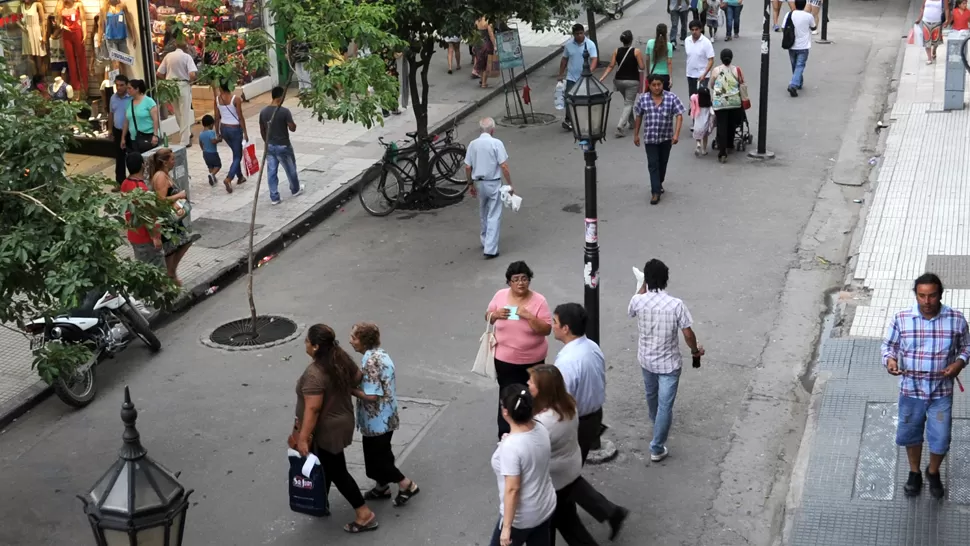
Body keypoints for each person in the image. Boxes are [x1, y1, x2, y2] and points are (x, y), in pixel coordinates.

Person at [882, 273, 969, 499]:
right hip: (911, 390)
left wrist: (959, 363)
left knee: (940, 438)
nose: (927, 302)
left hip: (941, 391)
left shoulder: (957, 319)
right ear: (916, 295)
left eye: (932, 296)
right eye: (922, 296)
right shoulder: (901, 319)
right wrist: (890, 361)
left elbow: (966, 348)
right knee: (911, 434)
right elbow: (889, 347)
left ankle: (933, 472)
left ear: (940, 295)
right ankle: (914, 472)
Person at [550, 304, 629, 541]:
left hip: (576, 424)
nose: (551, 325)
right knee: (570, 474)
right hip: (593, 417)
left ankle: (580, 515)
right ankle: (608, 512)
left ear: (565, 328)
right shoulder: (591, 347)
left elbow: (559, 404)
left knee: (563, 477)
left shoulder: (566, 363)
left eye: (554, 322)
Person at [290, 324, 379, 533]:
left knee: (337, 471)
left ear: (316, 346)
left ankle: (364, 514)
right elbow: (357, 377)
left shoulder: (314, 374)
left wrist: (302, 438)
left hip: (327, 430)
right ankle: (321, 502)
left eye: (307, 341)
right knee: (326, 464)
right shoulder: (340, 357)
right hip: (342, 421)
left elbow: (312, 409)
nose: (305, 344)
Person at [628, 259, 704, 462]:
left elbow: (632, 309)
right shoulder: (676, 305)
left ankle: (656, 423)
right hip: (669, 364)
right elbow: (688, 334)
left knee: (651, 394)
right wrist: (695, 351)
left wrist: (642, 285)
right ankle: (657, 446)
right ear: (666, 279)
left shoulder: (638, 301)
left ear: (646, 280)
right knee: (665, 405)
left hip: (646, 360)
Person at [348, 322, 420, 506]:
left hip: (376, 421)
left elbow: (371, 395)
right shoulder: (379, 355)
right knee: (383, 455)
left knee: (378, 461)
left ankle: (407, 485)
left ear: (364, 341)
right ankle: (382, 487)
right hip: (387, 416)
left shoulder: (371, 361)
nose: (351, 341)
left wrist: (350, 389)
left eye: (354, 337)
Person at [527, 365, 597, 546]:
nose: (528, 383)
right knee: (568, 522)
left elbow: (531, 452)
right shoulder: (568, 404)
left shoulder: (542, 422)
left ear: (543, 389)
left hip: (553, 481)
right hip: (569, 471)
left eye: (532, 382)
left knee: (549, 526)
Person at [486, 261, 552, 438]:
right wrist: (495, 315)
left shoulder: (539, 301)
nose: (521, 283)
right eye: (516, 279)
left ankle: (532, 432)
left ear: (529, 280)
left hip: (533, 362)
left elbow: (546, 329)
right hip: (505, 361)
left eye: (524, 278)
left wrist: (529, 316)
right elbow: (488, 315)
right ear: (509, 282)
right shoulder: (500, 296)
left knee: (534, 397)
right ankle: (506, 434)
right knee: (507, 396)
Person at [489, 385, 557, 546]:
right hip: (545, 506)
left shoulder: (511, 447)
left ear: (505, 412)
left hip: (522, 518)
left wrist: (506, 528)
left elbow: (513, 489)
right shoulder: (540, 428)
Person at [465, 117, 513, 259]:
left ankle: (485, 239)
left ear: (481, 129)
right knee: (494, 214)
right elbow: (504, 166)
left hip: (479, 182)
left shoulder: (472, 144)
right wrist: (510, 184)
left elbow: (468, 167)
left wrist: (470, 184)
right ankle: (490, 248)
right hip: (493, 182)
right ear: (492, 130)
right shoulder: (496, 143)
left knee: (483, 211)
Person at [633, 74, 686, 206]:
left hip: (666, 138)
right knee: (653, 164)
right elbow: (638, 116)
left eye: (659, 85)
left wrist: (676, 134)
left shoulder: (671, 97)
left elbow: (679, 115)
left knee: (662, 163)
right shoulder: (643, 99)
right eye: (654, 85)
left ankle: (659, 182)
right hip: (650, 138)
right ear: (649, 86)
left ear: (663, 85)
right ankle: (655, 192)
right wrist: (636, 134)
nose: (657, 87)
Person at [150, 148, 197, 285]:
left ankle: (171, 273)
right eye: (172, 159)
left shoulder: (165, 175)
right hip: (167, 219)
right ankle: (170, 274)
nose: (174, 162)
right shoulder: (160, 177)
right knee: (172, 248)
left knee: (181, 243)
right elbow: (161, 199)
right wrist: (179, 195)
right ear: (165, 162)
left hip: (173, 218)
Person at [259, 86, 304, 205]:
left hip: (270, 146)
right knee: (291, 169)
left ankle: (274, 197)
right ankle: (295, 189)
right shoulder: (284, 111)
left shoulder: (263, 112)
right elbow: (292, 128)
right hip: (283, 145)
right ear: (280, 97)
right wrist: (292, 124)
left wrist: (266, 142)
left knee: (271, 172)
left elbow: (262, 130)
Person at [598, 30, 645, 137]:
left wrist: (602, 77)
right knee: (629, 103)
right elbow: (642, 67)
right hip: (632, 81)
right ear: (631, 39)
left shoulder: (616, 51)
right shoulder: (636, 52)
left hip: (619, 81)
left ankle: (632, 123)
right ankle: (620, 126)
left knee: (627, 101)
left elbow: (611, 66)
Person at [120, 153, 163, 269]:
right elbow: (149, 215)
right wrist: (155, 237)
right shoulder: (141, 189)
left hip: (134, 234)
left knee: (142, 269)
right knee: (158, 271)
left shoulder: (125, 183)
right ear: (142, 165)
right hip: (146, 237)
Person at [156, 38, 198, 147]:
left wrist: (167, 80)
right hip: (183, 85)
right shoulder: (187, 57)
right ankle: (185, 141)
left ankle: (187, 134)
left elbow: (159, 73)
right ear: (186, 47)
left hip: (171, 86)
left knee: (177, 112)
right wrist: (191, 81)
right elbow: (192, 74)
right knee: (185, 113)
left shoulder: (168, 56)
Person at [558, 24, 598, 132]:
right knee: (569, 98)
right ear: (573, 34)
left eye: (581, 33)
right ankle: (569, 120)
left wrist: (589, 71)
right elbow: (564, 60)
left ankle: (584, 119)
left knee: (584, 99)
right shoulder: (568, 45)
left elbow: (594, 59)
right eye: (577, 34)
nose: (580, 35)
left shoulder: (590, 44)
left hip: (585, 77)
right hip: (571, 77)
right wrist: (560, 74)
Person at [708, 48, 746, 163]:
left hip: (720, 102)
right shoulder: (737, 70)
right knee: (731, 124)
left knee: (722, 125)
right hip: (734, 102)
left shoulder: (716, 70)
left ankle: (722, 151)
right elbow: (742, 83)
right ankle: (730, 144)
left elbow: (711, 85)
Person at [214, 81, 249, 193]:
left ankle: (240, 177)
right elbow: (240, 117)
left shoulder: (217, 99)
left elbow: (216, 117)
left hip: (224, 129)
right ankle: (229, 178)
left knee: (235, 152)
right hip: (235, 129)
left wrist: (217, 132)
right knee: (238, 155)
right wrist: (245, 132)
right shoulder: (236, 99)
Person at [784, 0, 816, 97]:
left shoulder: (789, 14)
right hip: (804, 45)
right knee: (800, 65)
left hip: (791, 45)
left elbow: (783, 27)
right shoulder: (808, 16)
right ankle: (794, 84)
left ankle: (798, 83)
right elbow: (814, 27)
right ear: (804, 5)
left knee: (795, 65)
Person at [120, 79, 160, 154]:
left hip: (148, 136)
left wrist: (155, 135)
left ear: (137, 89)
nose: (127, 90)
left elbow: (155, 119)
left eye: (129, 88)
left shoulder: (148, 101)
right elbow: (126, 122)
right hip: (134, 138)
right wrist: (123, 138)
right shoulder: (129, 103)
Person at [109, 74, 132, 186]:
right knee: (119, 157)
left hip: (131, 131)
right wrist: (110, 130)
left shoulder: (132, 98)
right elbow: (111, 114)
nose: (119, 88)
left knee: (132, 157)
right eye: (117, 85)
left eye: (121, 85)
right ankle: (120, 183)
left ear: (126, 85)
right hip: (118, 130)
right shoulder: (113, 98)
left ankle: (134, 183)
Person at [683, 20, 715, 99]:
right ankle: (692, 111)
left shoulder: (706, 42)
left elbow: (711, 59)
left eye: (696, 29)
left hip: (702, 75)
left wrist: (704, 74)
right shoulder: (687, 40)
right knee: (692, 97)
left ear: (700, 29)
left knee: (701, 98)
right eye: (692, 30)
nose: (694, 32)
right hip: (690, 74)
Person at [917, 0, 950, 64]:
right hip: (926, 21)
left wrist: (947, 19)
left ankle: (934, 50)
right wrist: (919, 18)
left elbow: (946, 9)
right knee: (927, 40)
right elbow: (922, 7)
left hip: (937, 22)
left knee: (936, 41)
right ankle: (929, 58)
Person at [644, 24, 674, 92]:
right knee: (665, 98)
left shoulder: (650, 43)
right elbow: (669, 63)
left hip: (653, 75)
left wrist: (648, 74)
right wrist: (670, 78)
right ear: (666, 33)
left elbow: (647, 59)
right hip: (665, 76)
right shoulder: (669, 45)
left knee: (652, 98)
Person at [473, 17, 497, 88]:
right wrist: (495, 45)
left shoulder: (476, 21)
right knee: (487, 64)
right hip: (487, 45)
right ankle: (484, 83)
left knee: (480, 62)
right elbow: (491, 35)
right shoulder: (487, 22)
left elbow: (474, 35)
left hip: (478, 44)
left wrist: (474, 45)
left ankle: (481, 79)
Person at [198, 115, 222, 187]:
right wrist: (219, 140)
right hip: (213, 153)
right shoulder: (211, 132)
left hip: (205, 153)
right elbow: (213, 141)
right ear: (211, 124)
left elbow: (200, 143)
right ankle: (212, 175)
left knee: (210, 166)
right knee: (218, 165)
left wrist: (203, 149)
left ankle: (212, 177)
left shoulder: (201, 134)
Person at [690, 86, 714, 156]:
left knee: (698, 137)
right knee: (705, 137)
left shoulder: (697, 104)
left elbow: (692, 97)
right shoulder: (708, 106)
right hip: (705, 125)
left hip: (697, 125)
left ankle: (698, 144)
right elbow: (712, 113)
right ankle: (704, 150)